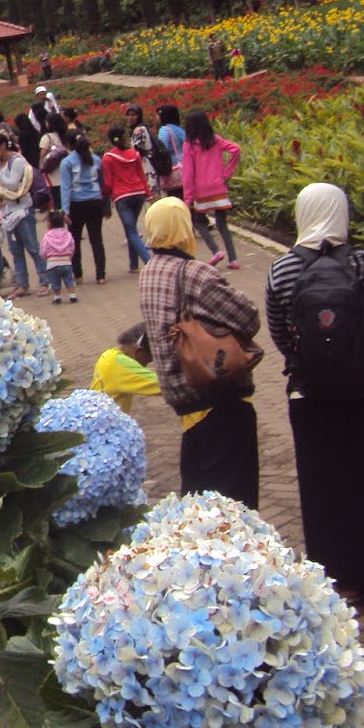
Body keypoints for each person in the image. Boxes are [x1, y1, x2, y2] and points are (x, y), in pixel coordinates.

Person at [265, 183, 364, 612]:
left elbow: (282, 336)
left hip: (310, 395)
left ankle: (341, 584)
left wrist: (312, 364)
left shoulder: (282, 269)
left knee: (324, 488)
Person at [139, 197, 261, 508]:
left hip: (184, 403)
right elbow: (249, 317)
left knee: (199, 501)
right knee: (234, 503)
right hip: (216, 396)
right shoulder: (194, 273)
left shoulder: (149, 271)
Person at [182, 109, 241, 269]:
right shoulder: (215, 140)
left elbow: (188, 172)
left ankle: (216, 251)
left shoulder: (189, 145)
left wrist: (188, 197)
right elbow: (236, 149)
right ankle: (233, 259)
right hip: (218, 187)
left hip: (201, 190)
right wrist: (227, 173)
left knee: (200, 223)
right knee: (222, 224)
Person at [0, 134, 45, 298]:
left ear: (3, 146)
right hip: (8, 212)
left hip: (23, 211)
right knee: (16, 251)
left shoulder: (17, 161)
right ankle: (22, 285)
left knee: (33, 248)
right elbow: (0, 186)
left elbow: (13, 184)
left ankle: (45, 281)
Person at [101, 127, 152, 273]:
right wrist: (148, 194)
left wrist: (105, 198)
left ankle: (149, 262)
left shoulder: (108, 158)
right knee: (132, 228)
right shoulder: (134, 154)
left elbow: (108, 183)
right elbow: (142, 175)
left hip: (122, 196)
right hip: (139, 193)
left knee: (131, 231)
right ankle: (133, 265)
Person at [59, 132, 107, 285]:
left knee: (75, 240)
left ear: (69, 145)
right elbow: (102, 184)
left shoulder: (67, 162)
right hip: (95, 203)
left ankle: (78, 275)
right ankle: (101, 276)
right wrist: (106, 204)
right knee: (97, 240)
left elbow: (66, 188)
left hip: (76, 205)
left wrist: (65, 211)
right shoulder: (96, 160)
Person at [90, 325, 161, 415]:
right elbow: (163, 384)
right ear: (139, 352)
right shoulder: (121, 364)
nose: (145, 366)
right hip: (105, 425)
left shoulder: (109, 355)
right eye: (147, 360)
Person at [40, 210, 79, 304]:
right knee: (69, 280)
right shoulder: (67, 234)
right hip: (66, 261)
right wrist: (69, 256)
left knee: (55, 281)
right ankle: (72, 296)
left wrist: (46, 258)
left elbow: (43, 250)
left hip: (52, 263)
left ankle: (57, 297)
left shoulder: (47, 236)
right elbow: (72, 246)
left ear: (50, 224)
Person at [155, 104, 186, 202]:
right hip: (184, 166)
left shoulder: (164, 130)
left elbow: (162, 148)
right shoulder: (179, 129)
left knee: (175, 198)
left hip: (173, 168)